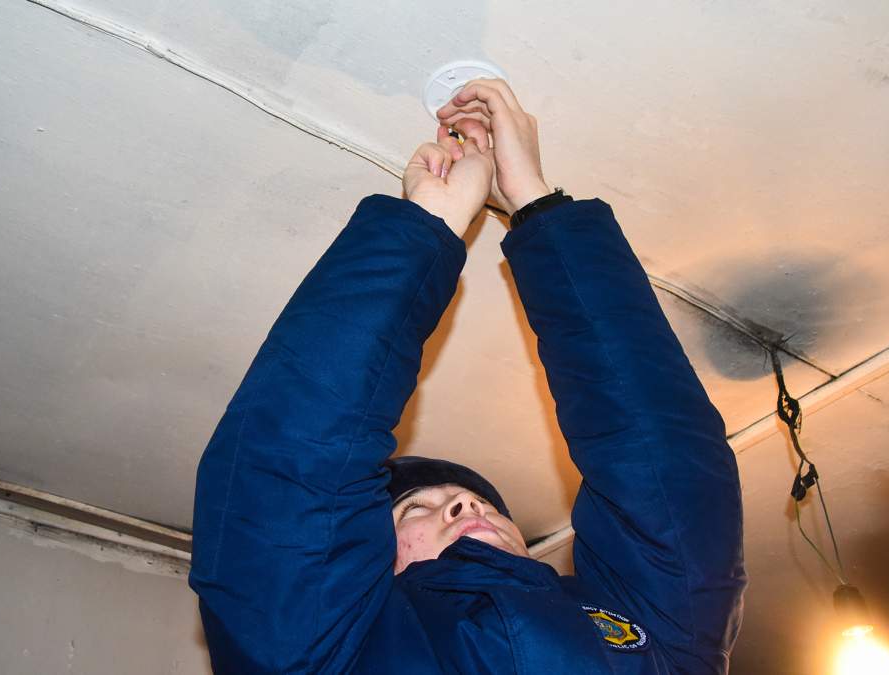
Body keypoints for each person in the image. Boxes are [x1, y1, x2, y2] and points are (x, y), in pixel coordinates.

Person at [189, 79, 746, 674]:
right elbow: (290, 469)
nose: (463, 503)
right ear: (363, 561)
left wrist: (536, 204)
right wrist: (429, 224)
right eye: (413, 509)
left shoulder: (658, 639)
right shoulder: (318, 654)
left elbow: (661, 461)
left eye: (480, 502)